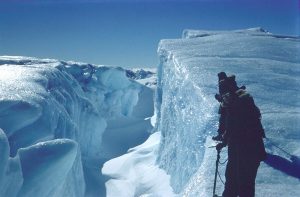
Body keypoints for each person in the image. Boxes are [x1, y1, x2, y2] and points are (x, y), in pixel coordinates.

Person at [216, 74, 267, 197]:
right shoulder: (243, 100)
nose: (224, 98)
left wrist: (223, 141)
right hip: (252, 150)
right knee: (245, 184)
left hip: (242, 151)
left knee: (236, 183)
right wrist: (224, 140)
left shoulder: (235, 105)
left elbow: (234, 128)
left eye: (225, 95)